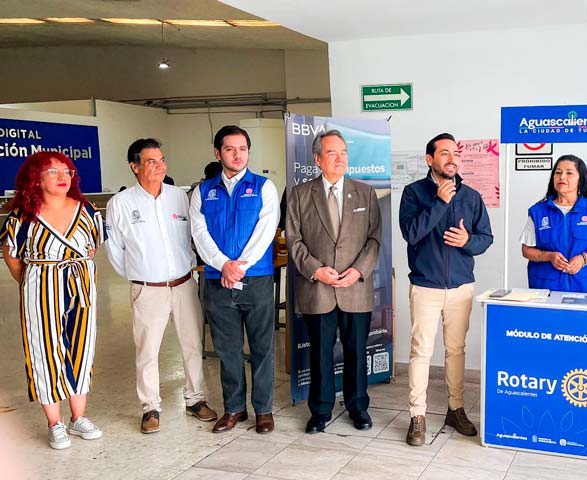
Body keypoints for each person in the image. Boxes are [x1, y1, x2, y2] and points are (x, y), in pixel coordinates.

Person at [106, 138, 217, 434]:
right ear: (135, 166)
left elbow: (193, 236)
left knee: (192, 344)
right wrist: (140, 275)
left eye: (162, 160)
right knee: (147, 350)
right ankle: (150, 407)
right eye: (151, 161)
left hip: (184, 284)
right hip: (148, 289)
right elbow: (114, 249)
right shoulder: (121, 203)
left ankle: (195, 399)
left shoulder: (179, 197)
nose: (160, 166)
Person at [0, 151, 105, 449]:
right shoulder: (23, 215)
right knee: (44, 349)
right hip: (40, 284)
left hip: (81, 284)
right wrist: (33, 283)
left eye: (67, 171)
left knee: (82, 345)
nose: (62, 176)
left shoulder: (86, 209)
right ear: (35, 178)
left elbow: (93, 245)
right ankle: (54, 422)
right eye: (52, 171)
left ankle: (78, 417)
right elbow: (11, 255)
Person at [398, 132, 493, 446]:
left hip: (461, 288)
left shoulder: (472, 196)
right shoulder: (414, 193)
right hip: (425, 286)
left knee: (455, 350)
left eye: (456, 153)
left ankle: (456, 409)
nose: (452, 159)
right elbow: (412, 233)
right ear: (430, 159)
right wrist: (439, 202)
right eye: (444, 153)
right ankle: (417, 415)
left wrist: (468, 241)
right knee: (421, 351)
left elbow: (485, 238)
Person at [286, 129, 382, 434]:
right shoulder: (300, 194)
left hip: (355, 287)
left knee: (356, 352)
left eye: (343, 153)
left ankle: (358, 407)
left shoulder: (365, 193)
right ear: (317, 159)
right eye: (332, 153)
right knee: (320, 353)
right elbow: (294, 240)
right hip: (318, 288)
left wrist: (358, 271)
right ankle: (320, 410)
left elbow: (374, 239)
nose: (340, 159)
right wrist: (315, 270)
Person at [190, 125, 279, 434]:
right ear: (218, 153)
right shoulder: (203, 192)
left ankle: (263, 410)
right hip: (217, 282)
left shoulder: (264, 187)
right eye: (230, 149)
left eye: (243, 149)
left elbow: (266, 230)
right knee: (228, 350)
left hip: (256, 279)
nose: (237, 155)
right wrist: (222, 265)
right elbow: (199, 233)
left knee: (262, 348)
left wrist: (238, 267)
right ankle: (234, 409)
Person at [520, 154, 587, 293]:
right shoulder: (538, 212)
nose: (562, 177)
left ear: (580, 179)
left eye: (569, 173)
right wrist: (549, 256)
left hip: (586, 289)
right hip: (546, 289)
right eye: (558, 172)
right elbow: (526, 250)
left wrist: (584, 259)